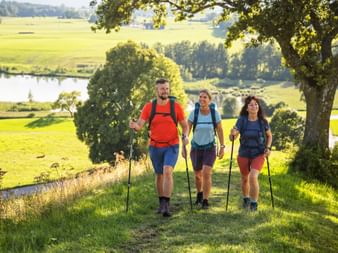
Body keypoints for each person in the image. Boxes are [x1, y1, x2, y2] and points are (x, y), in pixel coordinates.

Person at [129, 78, 189, 217]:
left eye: (167, 88)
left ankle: (167, 205)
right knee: (159, 174)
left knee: (167, 171)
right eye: (162, 89)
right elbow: (140, 125)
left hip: (172, 145)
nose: (165, 91)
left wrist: (185, 136)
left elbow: (184, 125)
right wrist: (134, 126)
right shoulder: (149, 107)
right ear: (156, 90)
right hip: (155, 146)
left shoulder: (176, 106)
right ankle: (161, 202)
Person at [183, 89, 225, 209]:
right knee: (198, 175)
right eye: (200, 97)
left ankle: (206, 200)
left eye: (205, 97)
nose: (202, 99)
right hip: (196, 147)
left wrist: (222, 146)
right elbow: (187, 129)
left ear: (210, 100)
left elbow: (220, 130)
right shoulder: (194, 113)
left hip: (210, 147)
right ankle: (199, 194)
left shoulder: (214, 113)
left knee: (206, 173)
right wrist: (184, 141)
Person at [229, 95, 272, 211]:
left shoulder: (263, 122)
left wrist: (268, 148)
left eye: (256, 104)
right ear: (247, 108)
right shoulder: (242, 120)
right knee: (245, 178)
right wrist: (232, 134)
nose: (254, 106)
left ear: (258, 107)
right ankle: (246, 199)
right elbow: (233, 137)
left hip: (258, 153)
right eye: (251, 105)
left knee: (253, 177)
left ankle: (254, 204)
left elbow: (269, 136)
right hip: (244, 153)